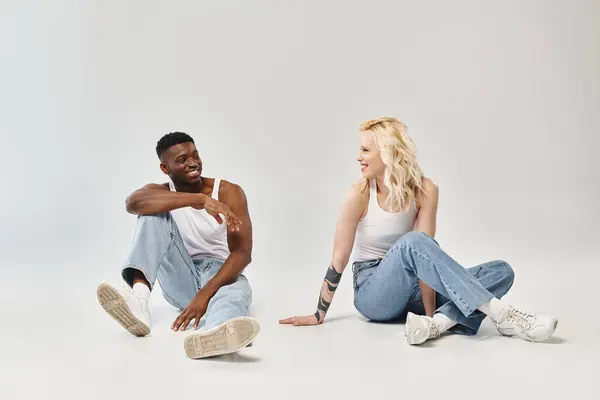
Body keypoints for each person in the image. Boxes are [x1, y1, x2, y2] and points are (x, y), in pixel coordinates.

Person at [279, 117, 558, 345]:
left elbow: (426, 256)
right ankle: (502, 314)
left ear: (388, 153)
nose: (358, 157)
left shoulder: (425, 190)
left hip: (413, 290)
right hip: (374, 292)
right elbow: (339, 259)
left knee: (501, 271)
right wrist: (318, 314)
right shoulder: (359, 195)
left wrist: (428, 314)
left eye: (366, 150)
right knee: (413, 242)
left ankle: (438, 323)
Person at [97, 132, 259, 358]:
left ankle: (217, 332)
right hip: (181, 276)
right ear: (165, 168)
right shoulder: (161, 192)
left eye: (195, 155)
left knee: (237, 290)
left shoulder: (227, 191)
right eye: (182, 160)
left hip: (221, 275)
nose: (193, 163)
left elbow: (242, 254)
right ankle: (139, 302)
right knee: (151, 213)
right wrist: (201, 200)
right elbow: (132, 203)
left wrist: (204, 296)